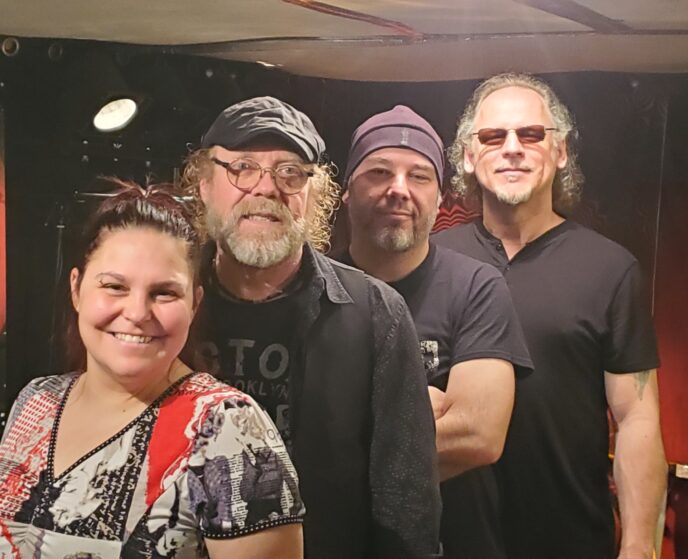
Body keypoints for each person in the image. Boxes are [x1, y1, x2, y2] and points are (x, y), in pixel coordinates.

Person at [0, 180, 304, 558]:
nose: (138, 313)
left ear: (194, 304)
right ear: (76, 289)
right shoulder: (37, 401)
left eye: (164, 293)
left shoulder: (228, 427)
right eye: (114, 286)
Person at [180, 96, 441, 558]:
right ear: (203, 184)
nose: (266, 187)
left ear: (314, 195)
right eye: (242, 167)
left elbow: (406, 508)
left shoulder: (377, 314)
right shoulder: (165, 304)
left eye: (290, 172)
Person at [435, 73, 666, 559]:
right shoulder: (432, 262)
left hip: (570, 541)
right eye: (493, 136)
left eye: (531, 134)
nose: (512, 148)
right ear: (469, 156)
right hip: (444, 543)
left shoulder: (609, 269)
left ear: (560, 152)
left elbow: (637, 419)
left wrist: (639, 546)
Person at [339, 104, 532, 559]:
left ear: (440, 199)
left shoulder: (475, 286)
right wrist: (417, 411)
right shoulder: (317, 287)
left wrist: (343, 440)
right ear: (346, 191)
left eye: (419, 176)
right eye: (379, 172)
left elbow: (478, 436)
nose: (398, 189)